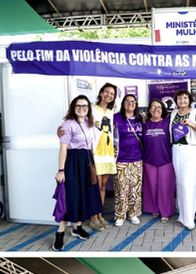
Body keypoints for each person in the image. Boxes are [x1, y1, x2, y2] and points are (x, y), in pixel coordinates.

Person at [53, 95, 102, 251]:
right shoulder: (67, 125)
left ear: (88, 108)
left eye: (85, 106)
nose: (82, 108)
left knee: (84, 195)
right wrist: (61, 171)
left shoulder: (90, 123)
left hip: (87, 161)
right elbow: (63, 149)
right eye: (78, 106)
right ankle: (60, 233)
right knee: (71, 198)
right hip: (73, 163)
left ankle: (77, 227)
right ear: (73, 108)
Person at [170, 89, 196, 230]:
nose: (182, 101)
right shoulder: (173, 113)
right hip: (176, 150)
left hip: (191, 151)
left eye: (185, 98)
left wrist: (192, 124)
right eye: (179, 98)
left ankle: (189, 218)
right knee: (180, 183)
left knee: (190, 183)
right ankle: (182, 214)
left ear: (189, 99)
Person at [112, 94, 144, 228]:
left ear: (136, 104)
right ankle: (120, 214)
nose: (130, 103)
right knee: (121, 188)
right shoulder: (116, 118)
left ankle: (133, 213)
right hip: (121, 159)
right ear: (123, 103)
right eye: (127, 101)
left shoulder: (140, 119)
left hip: (137, 159)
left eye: (133, 101)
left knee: (135, 188)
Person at [143, 99, 175, 223]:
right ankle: (153, 208)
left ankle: (166, 211)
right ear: (149, 110)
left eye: (159, 107)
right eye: (153, 107)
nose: (156, 109)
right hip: (149, 159)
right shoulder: (144, 123)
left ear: (163, 110)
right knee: (151, 186)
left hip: (165, 159)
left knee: (165, 186)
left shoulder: (168, 122)